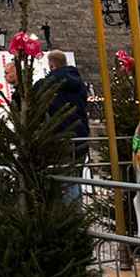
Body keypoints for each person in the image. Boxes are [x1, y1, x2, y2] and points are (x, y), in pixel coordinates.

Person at [41, 50, 90, 199]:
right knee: (76, 179)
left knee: (65, 181)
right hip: (81, 135)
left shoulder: (50, 83)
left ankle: (71, 211)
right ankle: (77, 209)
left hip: (62, 137)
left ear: (52, 65)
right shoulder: (78, 82)